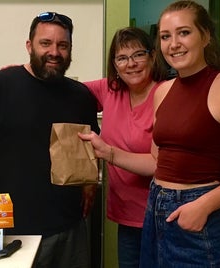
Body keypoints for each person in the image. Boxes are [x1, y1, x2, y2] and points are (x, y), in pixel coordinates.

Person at [0, 11, 99, 268]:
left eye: (62, 45)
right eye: (46, 43)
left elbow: (88, 142)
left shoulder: (80, 96)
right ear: (29, 46)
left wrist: (89, 184)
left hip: (69, 228)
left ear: (70, 49)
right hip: (8, 229)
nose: (54, 52)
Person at [140, 1, 220, 267]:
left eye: (184, 33)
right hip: (156, 208)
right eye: (165, 36)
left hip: (200, 213)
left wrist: (203, 206)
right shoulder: (162, 91)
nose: (173, 43)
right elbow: (157, 158)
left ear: (206, 36)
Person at [76, 27, 167, 268]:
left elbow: (160, 164)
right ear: (114, 65)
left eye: (138, 54)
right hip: (126, 217)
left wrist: (108, 153)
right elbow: (61, 90)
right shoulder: (109, 90)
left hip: (163, 218)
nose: (131, 64)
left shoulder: (165, 94)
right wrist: (25, 75)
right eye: (122, 58)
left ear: (152, 56)